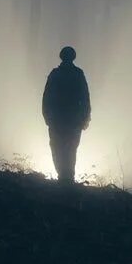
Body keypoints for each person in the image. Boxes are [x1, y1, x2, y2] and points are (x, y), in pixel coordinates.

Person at [41, 46, 91, 184]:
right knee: (69, 148)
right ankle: (66, 177)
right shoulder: (77, 74)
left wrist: (47, 115)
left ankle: (65, 177)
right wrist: (85, 117)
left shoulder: (56, 74)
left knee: (59, 147)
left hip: (60, 119)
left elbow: (46, 97)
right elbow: (85, 97)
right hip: (70, 119)